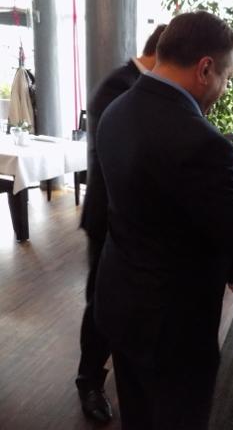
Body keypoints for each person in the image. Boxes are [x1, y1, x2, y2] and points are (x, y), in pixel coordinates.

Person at [93, 11, 233, 430]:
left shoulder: (117, 108)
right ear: (205, 68)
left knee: (138, 416)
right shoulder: (201, 140)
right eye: (227, 76)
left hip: (121, 302)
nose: (225, 88)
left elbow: (153, 184)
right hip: (173, 325)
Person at [76, 23, 166, 423]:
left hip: (134, 219)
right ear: (163, 55)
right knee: (101, 302)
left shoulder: (141, 84)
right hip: (109, 216)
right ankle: (89, 380)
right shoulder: (119, 86)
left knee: (124, 301)